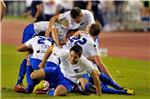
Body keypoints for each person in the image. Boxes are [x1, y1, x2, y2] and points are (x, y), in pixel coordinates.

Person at [14, 21, 49, 92]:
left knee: (29, 57)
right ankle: (20, 82)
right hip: (32, 31)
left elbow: (18, 48)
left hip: (35, 62)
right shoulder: (54, 37)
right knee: (29, 55)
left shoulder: (34, 39)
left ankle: (28, 84)